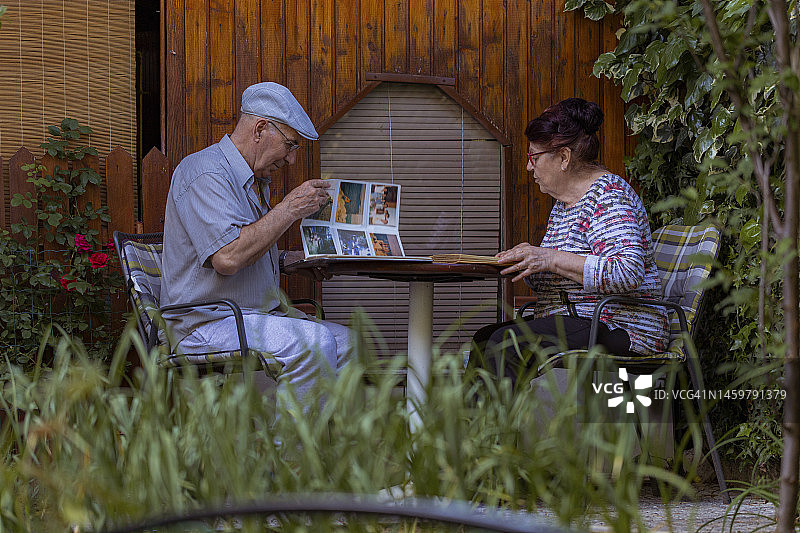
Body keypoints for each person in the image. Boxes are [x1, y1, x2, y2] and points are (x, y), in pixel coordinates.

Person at [161, 81, 351, 401]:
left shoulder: (253, 181)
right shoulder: (206, 173)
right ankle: (292, 451)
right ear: (261, 128)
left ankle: (321, 443)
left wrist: (294, 262)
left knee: (349, 343)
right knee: (315, 343)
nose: (291, 160)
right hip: (205, 325)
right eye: (290, 145)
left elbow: (246, 247)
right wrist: (288, 209)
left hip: (252, 317)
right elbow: (228, 257)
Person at [469, 98, 669, 385]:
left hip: (622, 325)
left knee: (506, 343)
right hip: (580, 319)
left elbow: (627, 272)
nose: (529, 167)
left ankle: (491, 430)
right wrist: (530, 260)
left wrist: (548, 258)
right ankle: (477, 429)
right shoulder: (564, 205)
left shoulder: (607, 197)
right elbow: (560, 275)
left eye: (534, 157)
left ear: (563, 157)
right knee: (485, 339)